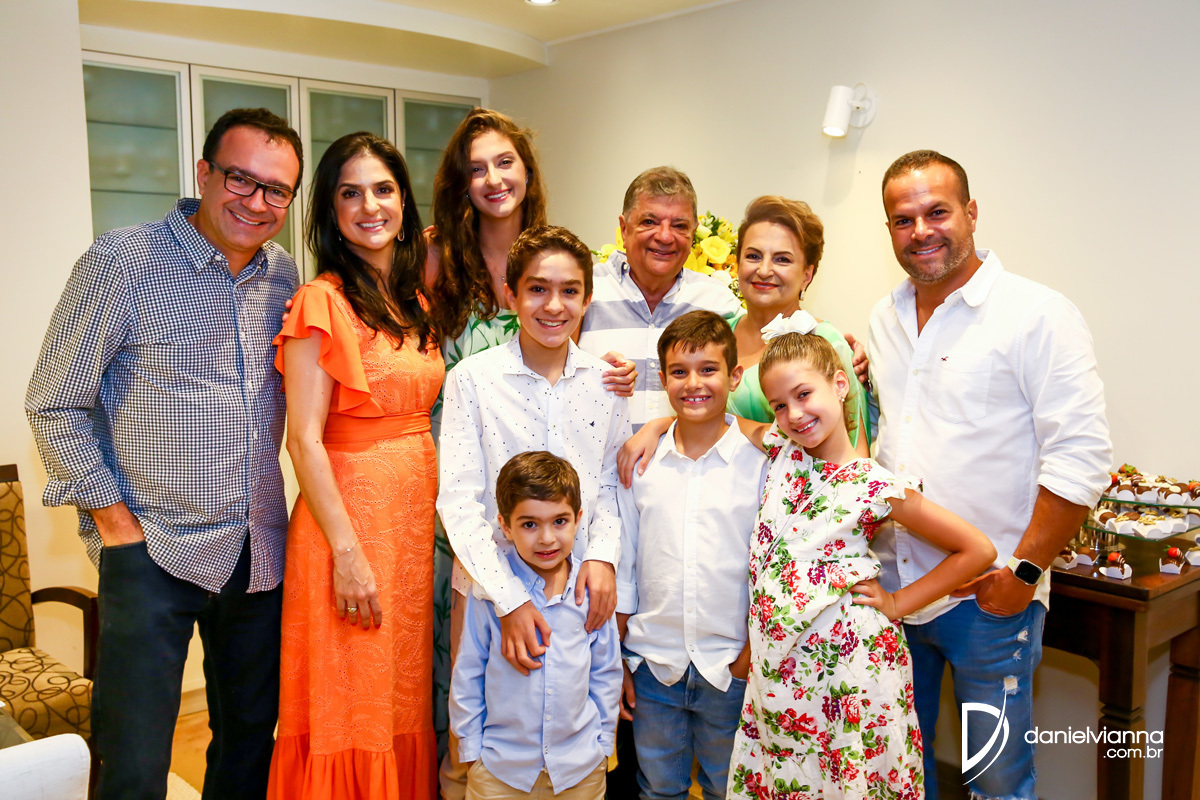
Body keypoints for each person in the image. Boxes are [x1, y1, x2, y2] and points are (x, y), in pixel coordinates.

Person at [26, 107, 302, 800]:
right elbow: (53, 401)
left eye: (276, 189)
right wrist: (117, 526)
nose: (256, 201)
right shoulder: (122, 262)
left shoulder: (284, 275)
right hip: (151, 547)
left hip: (257, 549)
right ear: (204, 173)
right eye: (240, 178)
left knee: (248, 741)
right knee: (135, 758)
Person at [867, 150, 1111, 800]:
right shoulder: (883, 319)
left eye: (937, 212)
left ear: (971, 213)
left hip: (989, 600)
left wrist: (1024, 574)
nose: (921, 231)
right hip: (895, 594)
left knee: (996, 782)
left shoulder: (1036, 313)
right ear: (888, 230)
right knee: (895, 774)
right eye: (903, 219)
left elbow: (1081, 458)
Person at [419, 111, 635, 797]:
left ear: (588, 300)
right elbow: (458, 499)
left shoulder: (604, 382)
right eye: (537, 289)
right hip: (489, 589)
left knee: (572, 738)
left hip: (577, 588)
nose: (554, 306)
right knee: (480, 754)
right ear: (511, 295)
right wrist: (509, 599)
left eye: (570, 292)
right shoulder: (473, 380)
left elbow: (608, 486)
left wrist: (602, 558)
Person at [726, 327, 996, 798]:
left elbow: (977, 550)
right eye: (779, 405)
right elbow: (724, 421)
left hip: (849, 670)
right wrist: (654, 427)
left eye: (803, 394)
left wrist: (896, 603)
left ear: (839, 384)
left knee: (848, 780)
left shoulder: (872, 483)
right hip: (782, 672)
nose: (794, 414)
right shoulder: (781, 451)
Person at [266, 132, 442, 799]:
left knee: (397, 699)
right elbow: (303, 441)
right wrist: (347, 554)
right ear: (330, 209)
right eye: (350, 193)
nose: (370, 206)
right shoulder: (322, 301)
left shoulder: (414, 299)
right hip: (349, 534)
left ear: (403, 200)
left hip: (408, 535)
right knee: (352, 701)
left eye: (383, 189)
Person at [614, 311, 767, 800]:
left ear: (735, 376)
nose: (694, 383)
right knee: (658, 788)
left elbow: (772, 568)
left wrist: (749, 658)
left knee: (731, 788)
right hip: (654, 663)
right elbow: (625, 565)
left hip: (732, 665)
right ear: (663, 380)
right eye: (679, 372)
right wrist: (620, 657)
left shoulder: (762, 462)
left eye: (708, 369)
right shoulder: (642, 462)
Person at [450, 451, 621, 799]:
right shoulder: (491, 595)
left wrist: (603, 744)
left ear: (578, 520)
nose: (546, 538)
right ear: (505, 526)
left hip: (580, 771)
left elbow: (606, 672)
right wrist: (472, 754)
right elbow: (468, 674)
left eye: (559, 521)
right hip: (500, 771)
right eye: (530, 524)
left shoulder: (590, 592)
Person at [578, 166, 744, 432]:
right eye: (649, 222)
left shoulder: (718, 301)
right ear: (624, 228)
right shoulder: (583, 291)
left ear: (693, 232)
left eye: (679, 226)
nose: (665, 236)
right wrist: (586, 376)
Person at [729, 195, 870, 454]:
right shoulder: (716, 336)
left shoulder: (826, 341)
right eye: (753, 256)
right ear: (737, 264)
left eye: (782, 259)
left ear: (807, 274)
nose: (764, 270)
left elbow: (856, 450)